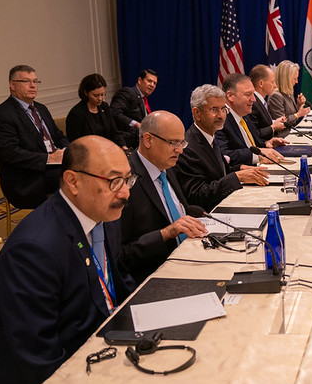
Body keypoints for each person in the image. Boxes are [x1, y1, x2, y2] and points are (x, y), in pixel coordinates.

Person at [0, 136, 137, 384]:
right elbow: (35, 356)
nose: (124, 193)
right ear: (73, 182)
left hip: (97, 347)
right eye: (114, 181)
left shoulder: (103, 214)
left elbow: (117, 280)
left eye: (127, 180)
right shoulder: (34, 250)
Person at [120, 111, 208, 285]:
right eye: (173, 143)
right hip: (155, 277)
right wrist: (166, 233)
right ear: (148, 140)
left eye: (181, 142)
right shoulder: (126, 182)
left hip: (190, 257)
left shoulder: (167, 167)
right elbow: (122, 255)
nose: (180, 150)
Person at [174, 84, 268, 212]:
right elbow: (196, 195)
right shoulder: (188, 148)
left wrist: (239, 169)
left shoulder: (211, 135)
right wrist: (236, 177)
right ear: (197, 113)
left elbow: (217, 173)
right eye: (214, 110)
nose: (221, 116)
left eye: (223, 109)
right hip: (209, 216)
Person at [0, 64, 69, 209]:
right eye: (26, 81)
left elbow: (58, 135)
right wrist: (49, 159)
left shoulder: (41, 108)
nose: (33, 86)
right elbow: (10, 154)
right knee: (76, 177)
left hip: (52, 167)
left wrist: (67, 151)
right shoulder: (2, 115)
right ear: (12, 85)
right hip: (27, 178)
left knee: (87, 167)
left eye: (35, 81)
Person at [217, 73, 285, 168]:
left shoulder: (243, 115)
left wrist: (267, 143)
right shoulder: (221, 120)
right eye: (248, 94)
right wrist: (257, 155)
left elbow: (252, 144)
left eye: (253, 94)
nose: (254, 99)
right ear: (230, 96)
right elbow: (223, 155)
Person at [65, 73, 126, 148]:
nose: (100, 98)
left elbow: (114, 132)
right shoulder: (76, 114)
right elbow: (75, 143)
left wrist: (124, 147)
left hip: (107, 149)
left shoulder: (104, 107)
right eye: (96, 95)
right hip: (88, 153)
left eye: (102, 94)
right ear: (85, 93)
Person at [110, 69, 158, 148]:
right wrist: (135, 123)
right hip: (125, 142)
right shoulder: (127, 93)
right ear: (140, 80)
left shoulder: (143, 99)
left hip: (139, 141)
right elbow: (114, 112)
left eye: (154, 83)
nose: (152, 85)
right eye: (149, 81)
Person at [267, 60, 311, 138]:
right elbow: (282, 123)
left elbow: (291, 115)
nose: (297, 82)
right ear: (286, 79)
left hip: (292, 132)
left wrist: (299, 105)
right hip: (283, 136)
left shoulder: (288, 92)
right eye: (294, 79)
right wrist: (298, 114)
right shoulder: (275, 96)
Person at [248, 64, 287, 140]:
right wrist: (273, 127)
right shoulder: (252, 103)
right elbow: (253, 134)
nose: (275, 85)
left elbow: (262, 124)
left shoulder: (260, 101)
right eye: (272, 82)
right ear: (261, 83)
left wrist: (275, 122)